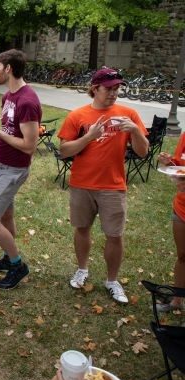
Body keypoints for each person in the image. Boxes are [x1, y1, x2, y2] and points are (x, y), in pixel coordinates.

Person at [58, 67, 148, 304]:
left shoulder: (128, 114)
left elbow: (143, 151)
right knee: (82, 229)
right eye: (109, 88)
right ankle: (82, 269)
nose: (114, 93)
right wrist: (89, 136)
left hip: (113, 186)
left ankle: (112, 280)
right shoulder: (77, 116)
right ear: (95, 88)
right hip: (82, 184)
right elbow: (64, 150)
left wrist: (135, 130)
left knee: (114, 235)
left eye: (117, 88)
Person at [0, 49, 42, 290]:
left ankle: (17, 265)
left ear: (8, 69)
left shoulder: (27, 101)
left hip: (14, 169)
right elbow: (9, 128)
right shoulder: (8, 97)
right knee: (5, 216)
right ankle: (8, 256)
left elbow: (29, 146)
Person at [156, 135, 185, 312]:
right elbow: (180, 167)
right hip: (182, 208)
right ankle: (177, 300)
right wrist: (169, 164)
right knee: (183, 256)